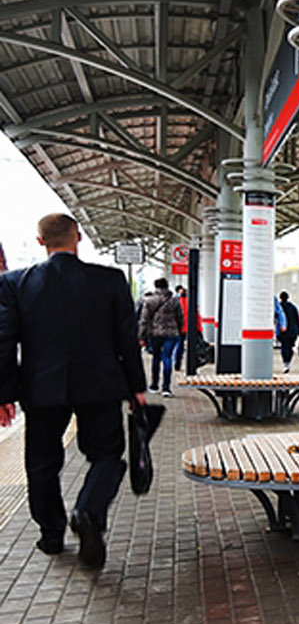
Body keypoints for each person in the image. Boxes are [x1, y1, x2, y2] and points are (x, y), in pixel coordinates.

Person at [0, 213, 148, 568]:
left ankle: (51, 535)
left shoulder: (15, 283)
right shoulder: (110, 279)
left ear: (40, 242)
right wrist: (137, 387)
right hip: (101, 384)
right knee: (107, 453)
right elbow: (127, 338)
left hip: (41, 387)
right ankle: (89, 510)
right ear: (78, 237)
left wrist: (4, 394)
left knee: (41, 463)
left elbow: (4, 340)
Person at [137, 276, 183, 396]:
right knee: (167, 358)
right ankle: (166, 388)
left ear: (156, 286)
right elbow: (180, 317)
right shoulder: (174, 300)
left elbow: (144, 319)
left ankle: (154, 385)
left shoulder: (150, 300)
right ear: (167, 286)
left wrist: (141, 336)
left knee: (156, 358)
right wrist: (178, 329)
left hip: (155, 333)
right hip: (171, 333)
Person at [276, 290, 299, 372]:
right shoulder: (293, 307)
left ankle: (286, 363)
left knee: (284, 347)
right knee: (290, 346)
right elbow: (297, 319)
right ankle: (288, 362)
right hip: (293, 331)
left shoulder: (279, 307)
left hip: (283, 330)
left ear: (280, 298)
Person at [174, 286, 188, 371]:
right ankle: (178, 362)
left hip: (176, 327)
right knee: (180, 345)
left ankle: (176, 362)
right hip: (185, 327)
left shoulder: (175, 301)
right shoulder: (189, 302)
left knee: (177, 345)